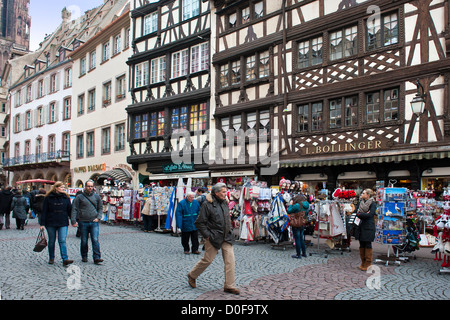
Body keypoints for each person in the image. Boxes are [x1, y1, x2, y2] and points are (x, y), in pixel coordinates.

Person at [187, 183, 240, 295]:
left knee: (230, 261)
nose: (226, 194)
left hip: (226, 236)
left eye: (226, 192)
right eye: (223, 192)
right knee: (207, 260)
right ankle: (192, 275)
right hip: (213, 237)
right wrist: (207, 236)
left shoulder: (225, 202)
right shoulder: (207, 204)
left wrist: (230, 229)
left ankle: (229, 286)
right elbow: (199, 223)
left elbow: (226, 218)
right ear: (216, 193)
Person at [40, 182, 74, 266]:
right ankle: (51, 257)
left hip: (63, 221)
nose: (63, 189)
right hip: (51, 221)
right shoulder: (48, 198)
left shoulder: (66, 197)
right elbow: (44, 211)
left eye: (64, 187)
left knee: (62, 240)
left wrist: (73, 221)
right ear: (56, 188)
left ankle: (65, 259)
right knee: (52, 241)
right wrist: (42, 224)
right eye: (62, 187)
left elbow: (70, 210)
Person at [71, 180, 104, 264]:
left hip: (94, 222)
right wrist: (73, 220)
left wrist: (98, 217)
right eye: (88, 186)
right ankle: (84, 256)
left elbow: (100, 207)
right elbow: (74, 209)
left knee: (95, 240)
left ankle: (97, 257)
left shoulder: (97, 197)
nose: (90, 188)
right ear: (85, 186)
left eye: (91, 186)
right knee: (84, 240)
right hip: (83, 221)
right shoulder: (79, 197)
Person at [353, 188, 377, 271]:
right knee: (361, 244)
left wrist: (360, 214)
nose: (362, 195)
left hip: (368, 227)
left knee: (368, 244)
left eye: (363, 193)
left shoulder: (372, 204)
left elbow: (370, 214)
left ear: (368, 195)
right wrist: (362, 214)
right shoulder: (360, 203)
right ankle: (363, 262)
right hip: (360, 226)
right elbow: (355, 212)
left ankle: (368, 263)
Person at [287, 194, 309, 259]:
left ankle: (298, 254)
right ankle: (304, 253)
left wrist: (290, 204)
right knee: (301, 238)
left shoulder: (297, 205)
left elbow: (289, 211)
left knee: (297, 239)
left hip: (296, 223)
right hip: (302, 223)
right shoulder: (306, 204)